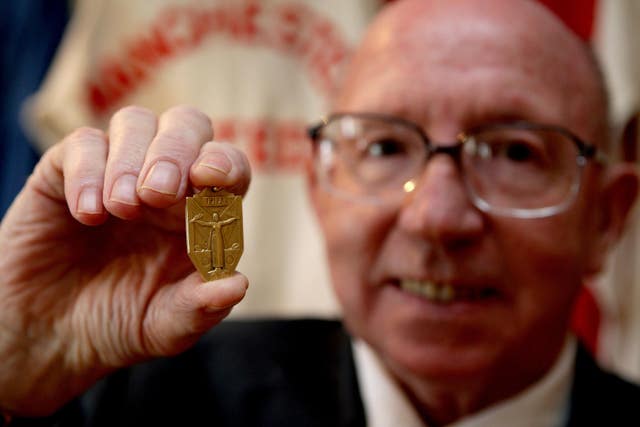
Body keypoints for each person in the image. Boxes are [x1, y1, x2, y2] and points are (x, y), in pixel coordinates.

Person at [1, 0, 639, 425]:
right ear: (318, 188)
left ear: (608, 219)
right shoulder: (149, 401)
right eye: (386, 145)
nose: (437, 219)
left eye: (515, 153)